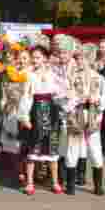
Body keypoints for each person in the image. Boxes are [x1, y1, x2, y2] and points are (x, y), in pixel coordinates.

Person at [63, 45, 105, 196]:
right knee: (72, 148)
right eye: (77, 58)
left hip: (93, 116)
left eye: (82, 58)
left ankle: (98, 185)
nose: (79, 61)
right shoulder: (70, 77)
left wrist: (97, 100)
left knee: (95, 149)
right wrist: (77, 99)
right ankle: (70, 185)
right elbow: (62, 98)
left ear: (89, 60)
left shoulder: (98, 77)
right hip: (75, 116)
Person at [17, 45, 67, 195]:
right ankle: (30, 183)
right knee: (33, 148)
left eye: (38, 57)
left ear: (45, 58)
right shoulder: (29, 75)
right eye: (33, 57)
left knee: (52, 149)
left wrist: (65, 98)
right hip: (36, 111)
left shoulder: (53, 74)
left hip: (51, 112)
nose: (35, 60)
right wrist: (24, 116)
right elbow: (26, 96)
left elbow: (62, 90)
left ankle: (55, 182)